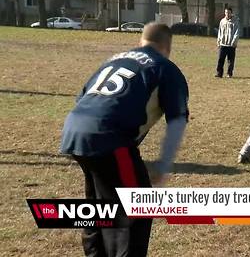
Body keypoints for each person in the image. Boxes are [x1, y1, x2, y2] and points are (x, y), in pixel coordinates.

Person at [60, 23, 189, 257]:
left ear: (141, 41)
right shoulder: (165, 68)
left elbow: (83, 97)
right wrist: (164, 165)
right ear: (167, 46)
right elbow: (177, 120)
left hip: (74, 131)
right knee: (137, 209)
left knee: (99, 206)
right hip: (110, 138)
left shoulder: (114, 60)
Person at [215, 7, 239, 78]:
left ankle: (229, 73)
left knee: (230, 61)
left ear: (231, 13)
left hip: (231, 45)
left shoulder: (235, 21)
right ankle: (219, 73)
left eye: (228, 13)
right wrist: (219, 41)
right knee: (220, 59)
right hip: (223, 44)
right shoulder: (222, 21)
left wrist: (234, 42)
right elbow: (220, 32)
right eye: (226, 13)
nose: (227, 14)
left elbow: (237, 32)